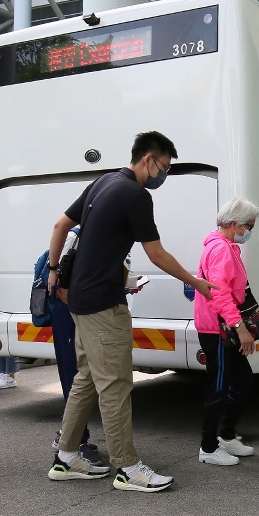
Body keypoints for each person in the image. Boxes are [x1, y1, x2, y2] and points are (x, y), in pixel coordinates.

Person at [45, 131, 213, 490]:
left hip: (80, 300)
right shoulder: (136, 195)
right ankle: (127, 468)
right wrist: (195, 282)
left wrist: (54, 271)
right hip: (104, 305)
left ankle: (66, 457)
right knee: (116, 385)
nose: (163, 175)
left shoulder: (103, 181)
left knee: (87, 379)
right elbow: (157, 254)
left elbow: (61, 225)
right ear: (148, 159)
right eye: (164, 167)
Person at [193, 198, 259, 466]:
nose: (249, 231)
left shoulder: (224, 246)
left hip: (220, 326)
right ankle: (209, 448)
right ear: (235, 224)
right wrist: (241, 328)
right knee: (219, 387)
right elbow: (220, 295)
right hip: (217, 328)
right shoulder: (221, 249)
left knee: (242, 380)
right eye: (249, 226)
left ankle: (227, 436)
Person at [37, 232, 101, 463]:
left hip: (83, 309)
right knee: (74, 376)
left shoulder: (93, 233)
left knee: (80, 376)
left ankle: (70, 434)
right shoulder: (74, 235)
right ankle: (76, 442)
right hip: (69, 310)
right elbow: (56, 281)